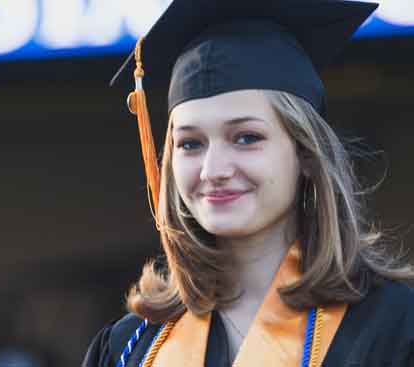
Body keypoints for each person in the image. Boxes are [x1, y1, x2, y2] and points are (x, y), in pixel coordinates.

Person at [83, 1, 414, 366]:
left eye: (246, 137)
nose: (213, 169)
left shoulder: (393, 328)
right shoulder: (131, 346)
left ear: (306, 153)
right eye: (190, 143)